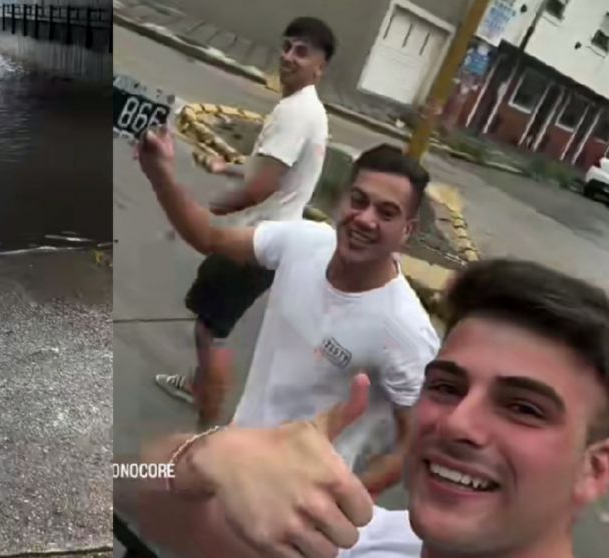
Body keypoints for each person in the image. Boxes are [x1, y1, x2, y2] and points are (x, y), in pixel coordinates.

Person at [134, 258, 609, 558]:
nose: (458, 422)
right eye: (446, 387)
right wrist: (200, 459)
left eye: (524, 408)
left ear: (594, 469)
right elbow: (124, 485)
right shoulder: (357, 541)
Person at [138, 132, 439, 496]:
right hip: (234, 457)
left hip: (294, 500)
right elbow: (209, 237)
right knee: (143, 496)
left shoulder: (406, 329)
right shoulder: (303, 242)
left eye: (386, 212)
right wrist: (160, 175)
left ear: (408, 230)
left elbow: (415, 443)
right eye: (358, 201)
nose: (365, 219)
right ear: (342, 200)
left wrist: (337, 500)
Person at [156, 17, 335, 429]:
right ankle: (201, 389)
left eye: (302, 51)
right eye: (288, 47)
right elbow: (272, 170)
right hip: (271, 237)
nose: (289, 57)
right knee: (210, 321)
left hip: (258, 239)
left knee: (208, 330)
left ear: (320, 67)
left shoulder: (295, 113)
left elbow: (259, 190)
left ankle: (209, 415)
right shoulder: (311, 111)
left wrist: (199, 215)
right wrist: (227, 166)